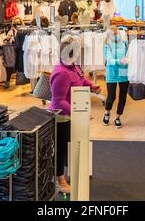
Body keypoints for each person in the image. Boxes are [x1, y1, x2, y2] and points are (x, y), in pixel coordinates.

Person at [49, 35, 101, 194]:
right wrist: (79, 113)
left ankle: (67, 175)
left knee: (71, 147)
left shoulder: (73, 67)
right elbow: (58, 101)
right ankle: (60, 180)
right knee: (60, 150)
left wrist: (91, 85)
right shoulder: (61, 73)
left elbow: (80, 80)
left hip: (71, 115)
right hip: (61, 118)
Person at [102, 26, 129, 129]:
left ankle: (118, 117)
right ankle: (107, 112)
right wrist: (119, 61)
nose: (115, 35)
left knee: (123, 96)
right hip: (111, 71)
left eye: (116, 33)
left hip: (123, 71)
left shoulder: (125, 43)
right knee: (111, 96)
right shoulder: (106, 46)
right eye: (113, 34)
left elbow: (128, 55)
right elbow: (109, 59)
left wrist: (128, 60)